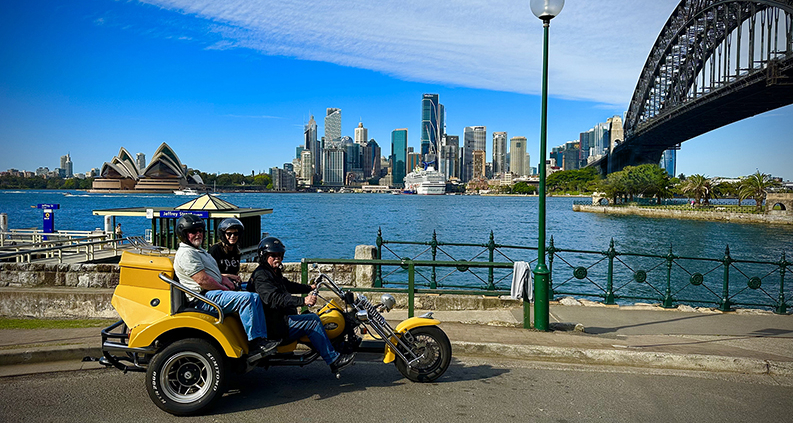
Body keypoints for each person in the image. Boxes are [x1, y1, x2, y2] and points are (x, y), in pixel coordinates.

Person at [173, 214, 279, 359]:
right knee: (247, 299)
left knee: (253, 294)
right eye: (193, 231)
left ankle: (262, 338)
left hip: (211, 293)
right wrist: (224, 288)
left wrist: (223, 279)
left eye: (200, 231)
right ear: (184, 234)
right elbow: (202, 280)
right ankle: (256, 343)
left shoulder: (198, 251)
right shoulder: (187, 254)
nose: (198, 234)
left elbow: (211, 273)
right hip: (203, 298)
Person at [248, 237, 355, 374]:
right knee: (312, 321)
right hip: (274, 325)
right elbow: (273, 298)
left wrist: (309, 287)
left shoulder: (272, 272)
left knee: (314, 317)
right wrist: (303, 301)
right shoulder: (261, 276)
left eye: (279, 255)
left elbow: (287, 285)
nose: (277, 258)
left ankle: (338, 347)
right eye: (273, 255)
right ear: (264, 256)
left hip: (281, 319)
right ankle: (334, 361)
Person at [208, 218, 244, 287]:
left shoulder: (236, 251)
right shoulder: (215, 250)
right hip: (219, 285)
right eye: (229, 234)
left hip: (232, 285)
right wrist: (230, 276)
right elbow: (210, 273)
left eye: (235, 234)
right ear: (223, 235)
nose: (232, 236)